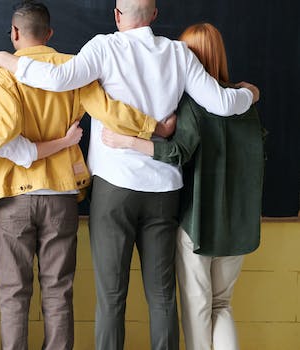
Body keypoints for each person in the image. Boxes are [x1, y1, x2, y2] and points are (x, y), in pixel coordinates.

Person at [0, 1, 259, 349]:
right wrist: (249, 93)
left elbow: (57, 77)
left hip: (114, 189)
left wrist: (8, 60)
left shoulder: (104, 46)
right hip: (163, 189)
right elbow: (220, 103)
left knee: (112, 297)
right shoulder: (178, 54)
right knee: (162, 297)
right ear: (154, 16)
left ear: (116, 15)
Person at [0, 2, 171, 349]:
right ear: (50, 34)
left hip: (14, 194)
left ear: (14, 33)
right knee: (58, 291)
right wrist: (152, 126)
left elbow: (6, 129)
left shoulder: (2, 71)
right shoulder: (74, 67)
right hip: (62, 192)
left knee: (13, 293)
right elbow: (108, 111)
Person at [100, 23, 263, 350]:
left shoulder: (192, 105)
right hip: (240, 225)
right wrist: (252, 92)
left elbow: (177, 152)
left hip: (198, 224)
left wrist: (128, 141)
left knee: (198, 307)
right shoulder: (245, 106)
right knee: (222, 305)